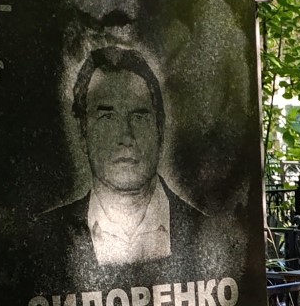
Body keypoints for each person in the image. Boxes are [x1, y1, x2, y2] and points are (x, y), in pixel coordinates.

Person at [32, 45, 218, 275]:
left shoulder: (208, 233)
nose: (126, 137)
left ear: (160, 130)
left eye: (139, 117)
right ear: (83, 132)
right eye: (107, 118)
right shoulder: (39, 242)